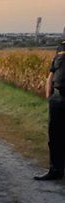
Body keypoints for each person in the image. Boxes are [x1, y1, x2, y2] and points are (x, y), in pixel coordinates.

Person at [35, 39, 65, 181]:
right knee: (55, 137)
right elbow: (52, 73)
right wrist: (49, 96)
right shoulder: (60, 48)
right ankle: (55, 170)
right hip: (57, 98)